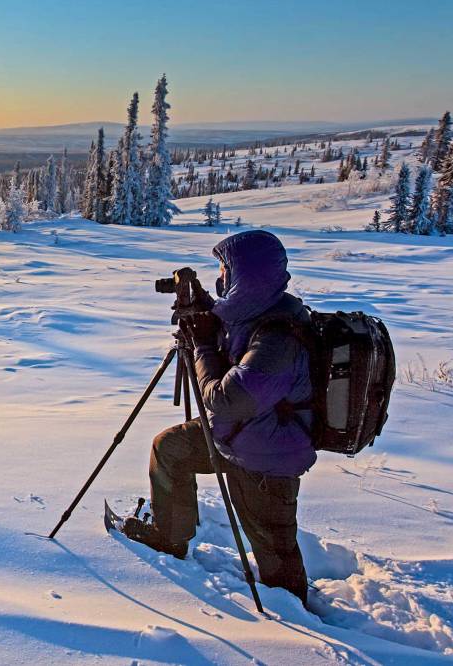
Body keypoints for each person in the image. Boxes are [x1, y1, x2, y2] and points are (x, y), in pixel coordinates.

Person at [123, 229, 315, 605]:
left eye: (226, 269)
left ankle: (296, 625)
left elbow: (226, 400)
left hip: (266, 459)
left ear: (247, 275)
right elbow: (232, 329)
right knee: (171, 447)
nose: (221, 276)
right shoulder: (259, 310)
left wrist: (203, 344)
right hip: (239, 436)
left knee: (276, 558)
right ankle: (170, 536)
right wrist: (205, 311)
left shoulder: (278, 337)